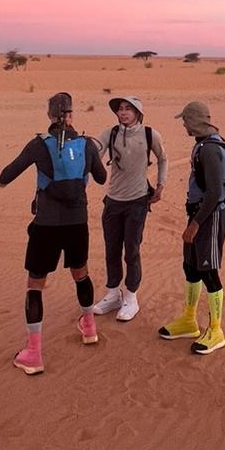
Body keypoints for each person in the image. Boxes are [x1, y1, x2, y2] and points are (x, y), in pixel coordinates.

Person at [0, 91, 107, 374]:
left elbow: (7, 175)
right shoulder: (86, 144)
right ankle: (89, 327)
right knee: (80, 273)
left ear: (49, 115)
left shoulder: (38, 144)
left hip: (46, 225)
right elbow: (102, 177)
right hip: (77, 222)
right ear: (71, 115)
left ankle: (33, 353)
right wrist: (89, 156)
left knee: (36, 284)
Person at [157, 99, 225, 355]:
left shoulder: (210, 149)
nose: (184, 125)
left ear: (195, 121)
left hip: (208, 217)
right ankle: (189, 320)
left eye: (186, 120)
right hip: (198, 215)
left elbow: (215, 193)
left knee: (209, 271)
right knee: (191, 267)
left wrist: (196, 224)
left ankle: (216, 330)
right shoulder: (202, 145)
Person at [89, 95, 168, 322]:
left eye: (128, 109)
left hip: (137, 202)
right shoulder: (110, 133)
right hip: (113, 201)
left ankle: (131, 297)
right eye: (120, 109)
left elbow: (163, 158)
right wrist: (84, 148)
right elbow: (95, 151)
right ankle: (113, 293)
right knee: (111, 250)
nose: (123, 113)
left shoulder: (150, 134)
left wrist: (160, 185)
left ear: (137, 113)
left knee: (131, 250)